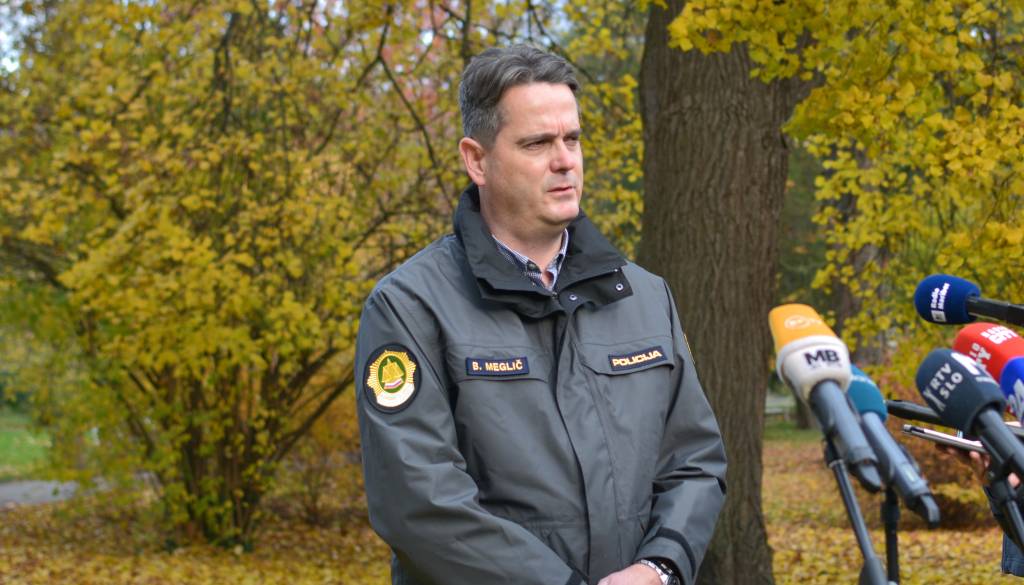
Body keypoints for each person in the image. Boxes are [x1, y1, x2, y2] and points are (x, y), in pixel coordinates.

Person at [355, 44, 727, 585]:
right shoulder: (410, 307)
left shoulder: (643, 297)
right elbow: (420, 502)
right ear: (477, 160)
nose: (564, 160)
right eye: (537, 143)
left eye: (572, 139)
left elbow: (694, 461)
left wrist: (661, 565)